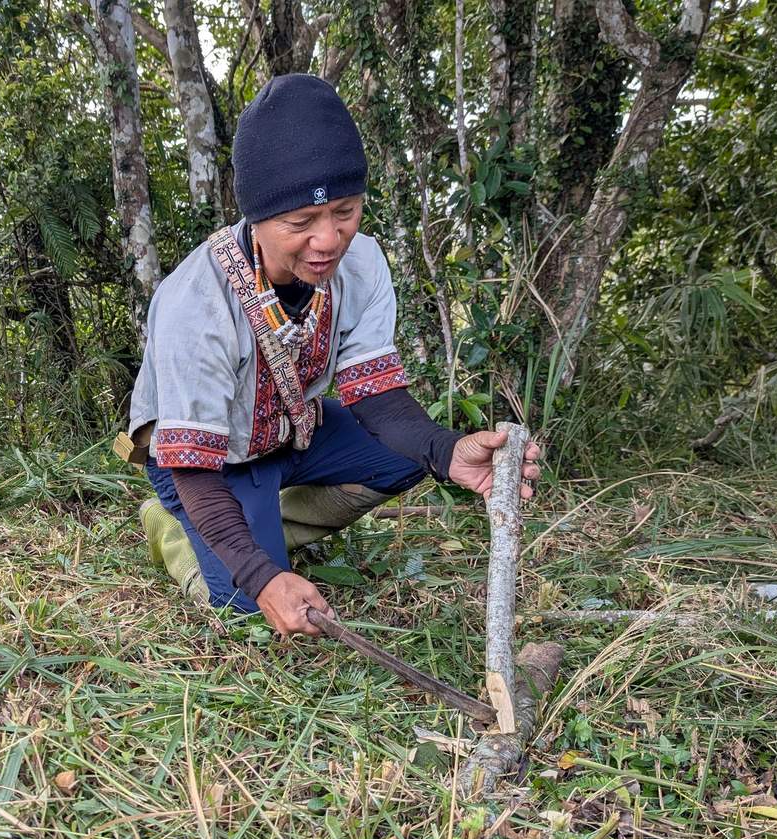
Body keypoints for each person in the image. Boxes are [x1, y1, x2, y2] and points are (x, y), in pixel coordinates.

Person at [126, 74, 541, 638]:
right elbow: (195, 468)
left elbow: (380, 400)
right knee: (246, 609)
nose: (328, 239)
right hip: (207, 468)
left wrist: (447, 451)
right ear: (258, 218)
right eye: (301, 222)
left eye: (345, 211)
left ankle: (264, 524)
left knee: (406, 456)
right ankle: (183, 533)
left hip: (289, 438)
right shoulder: (194, 305)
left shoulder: (362, 263)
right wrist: (260, 574)